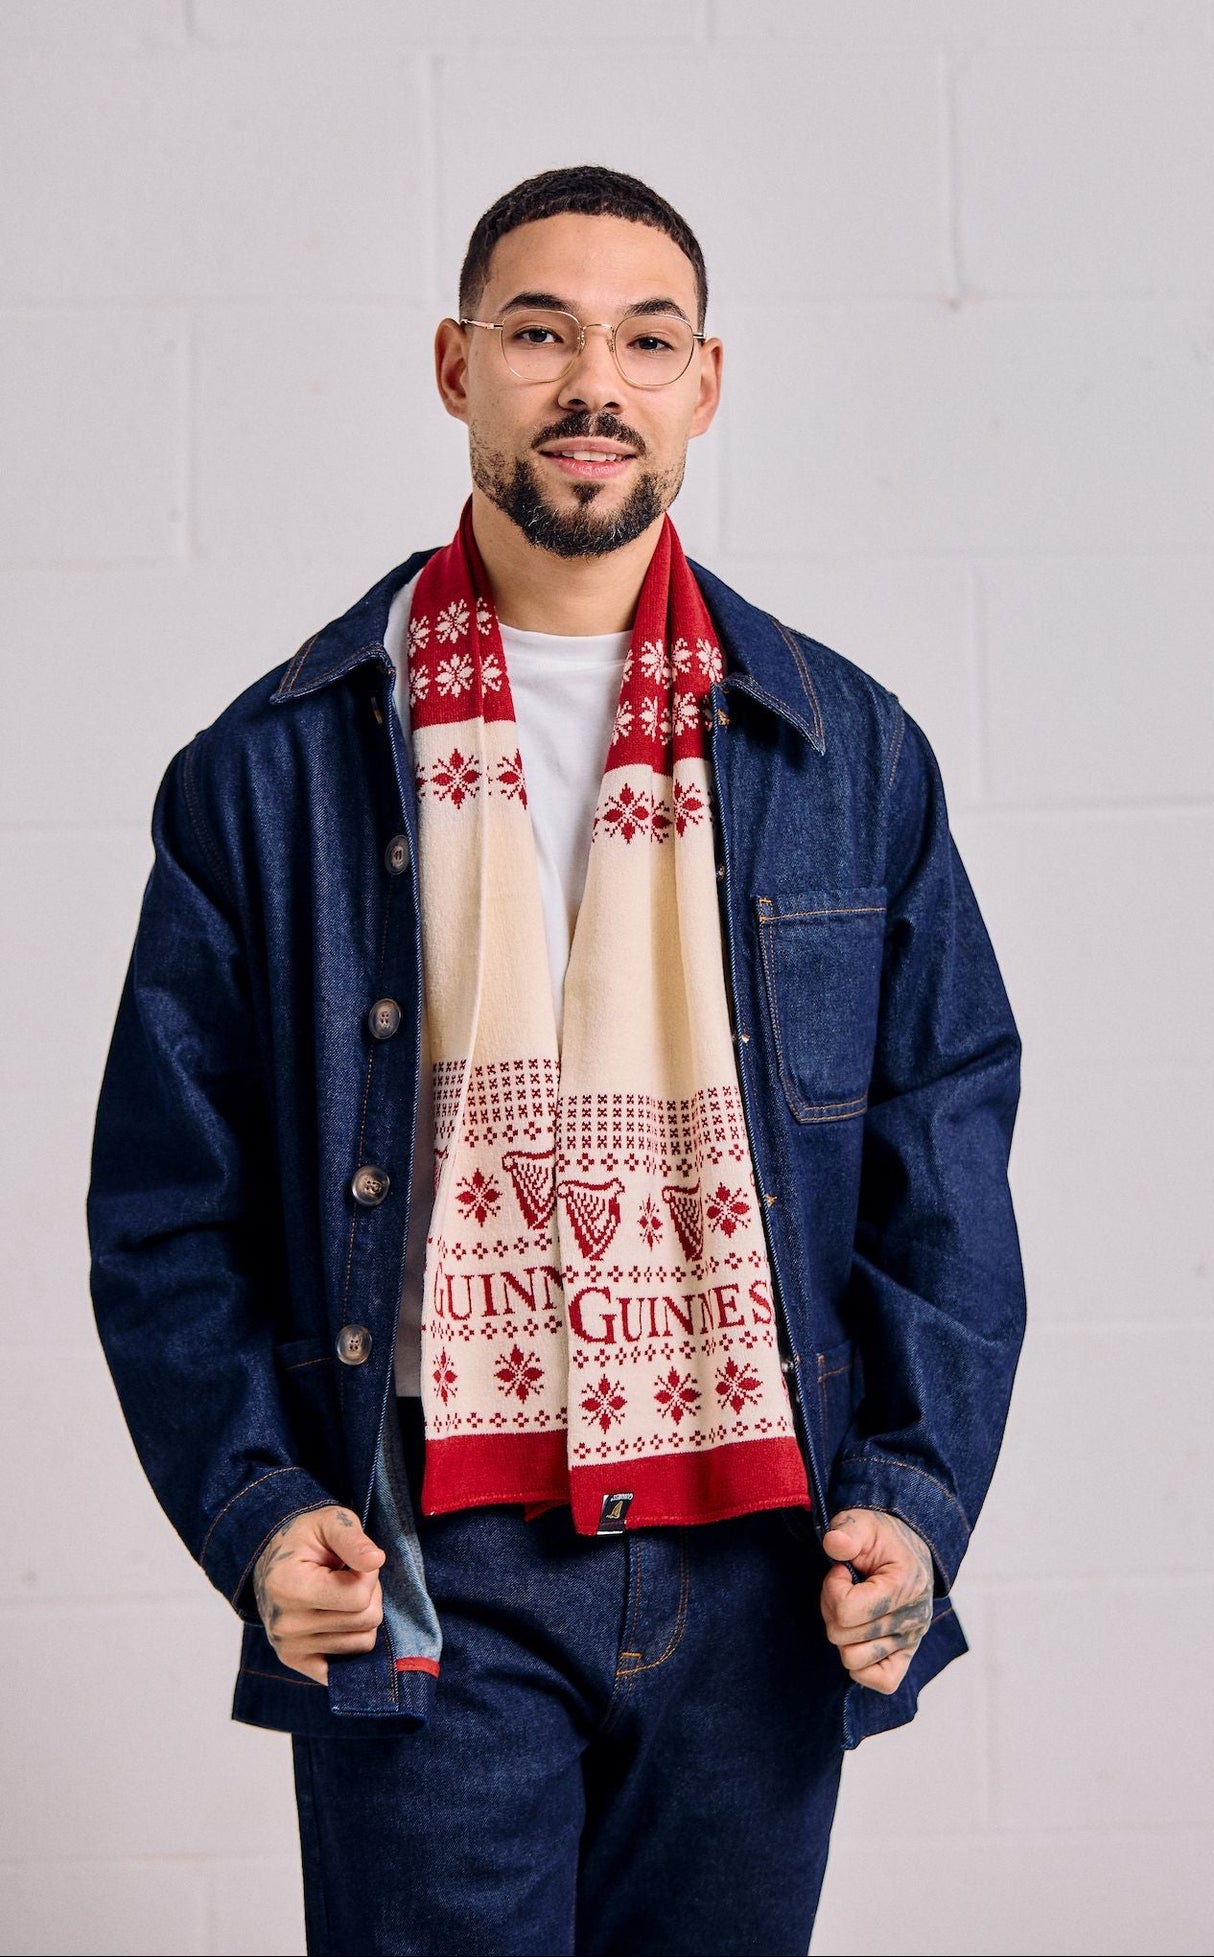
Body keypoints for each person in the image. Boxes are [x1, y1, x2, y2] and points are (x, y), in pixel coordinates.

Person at [87, 165, 1026, 1957]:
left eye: (642, 339)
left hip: (764, 1555)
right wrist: (263, 1511)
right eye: (540, 333)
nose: (593, 380)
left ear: (704, 383)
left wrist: (911, 1502)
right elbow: (164, 1212)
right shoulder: (269, 773)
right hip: (432, 1564)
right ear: (456, 367)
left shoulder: (845, 753)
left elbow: (944, 1166)